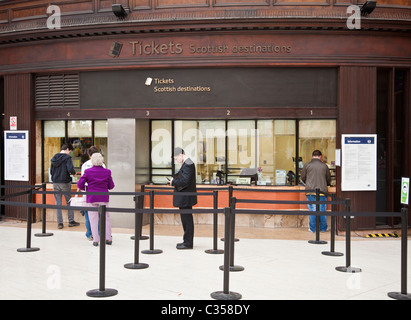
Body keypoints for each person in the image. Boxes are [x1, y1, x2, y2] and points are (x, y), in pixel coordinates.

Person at [77, 153, 115, 247]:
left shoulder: (88, 171)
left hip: (92, 197)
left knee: (93, 219)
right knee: (106, 218)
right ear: (102, 161)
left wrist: (86, 189)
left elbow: (79, 184)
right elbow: (111, 186)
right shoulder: (107, 172)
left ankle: (96, 240)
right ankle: (108, 238)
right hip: (103, 197)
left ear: (92, 161)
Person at [169, 147, 197, 249]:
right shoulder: (187, 163)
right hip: (185, 197)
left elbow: (185, 181)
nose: (176, 160)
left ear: (181, 155)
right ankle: (186, 241)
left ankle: (188, 243)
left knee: (187, 220)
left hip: (186, 197)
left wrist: (173, 182)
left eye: (176, 158)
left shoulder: (188, 164)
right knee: (186, 220)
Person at [50, 143, 80, 229]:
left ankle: (60, 223)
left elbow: (51, 172)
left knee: (58, 203)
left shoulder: (54, 158)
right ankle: (71, 221)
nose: (70, 153)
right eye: (70, 151)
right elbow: (70, 169)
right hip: (65, 182)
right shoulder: (67, 158)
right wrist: (74, 173)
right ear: (67, 149)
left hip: (55, 183)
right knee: (69, 201)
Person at [300, 149, 331, 233]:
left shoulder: (307, 165)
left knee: (312, 210)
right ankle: (323, 228)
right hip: (322, 192)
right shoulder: (324, 166)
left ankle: (313, 229)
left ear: (312, 156)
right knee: (322, 210)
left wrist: (309, 182)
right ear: (320, 156)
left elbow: (302, 177)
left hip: (310, 191)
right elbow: (328, 179)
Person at [80, 146, 105, 241]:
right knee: (99, 214)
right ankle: (98, 233)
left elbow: (81, 181)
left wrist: (83, 190)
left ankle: (89, 234)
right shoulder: (102, 165)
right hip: (100, 192)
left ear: (89, 155)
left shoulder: (85, 165)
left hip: (88, 191)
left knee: (88, 214)